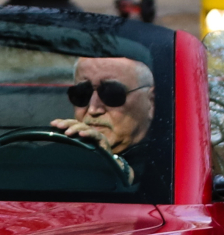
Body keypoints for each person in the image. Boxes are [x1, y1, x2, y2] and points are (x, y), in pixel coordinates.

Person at [51, 55, 157, 183]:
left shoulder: (173, 163)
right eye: (82, 93)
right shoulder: (57, 157)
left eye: (112, 93)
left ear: (150, 102)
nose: (93, 109)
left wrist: (116, 167)